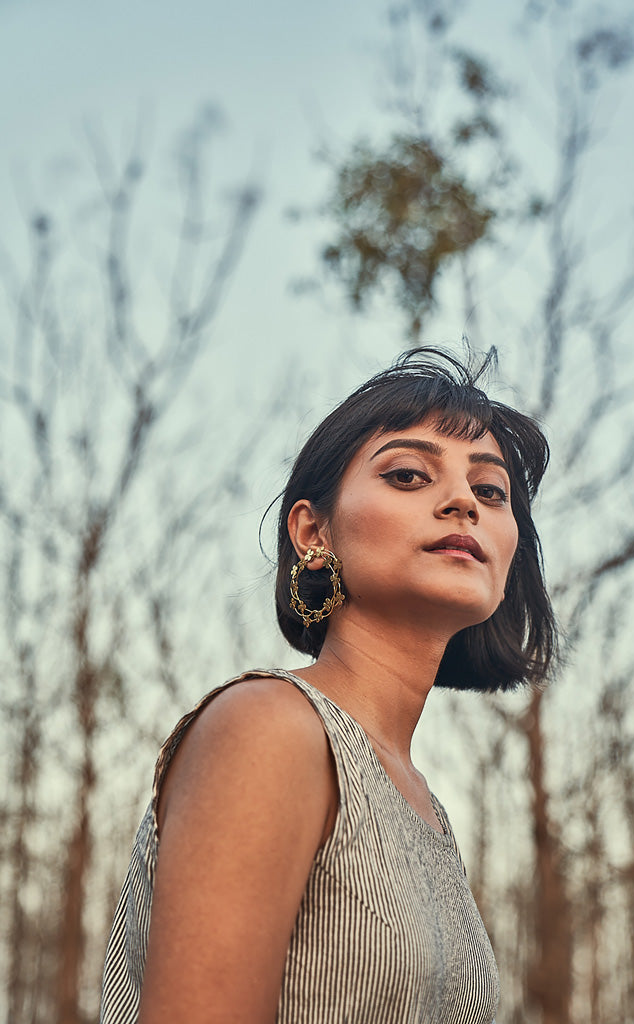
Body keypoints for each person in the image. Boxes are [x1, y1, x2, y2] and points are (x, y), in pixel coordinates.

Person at [99, 347, 557, 1024]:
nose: (464, 501)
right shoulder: (268, 728)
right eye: (408, 475)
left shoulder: (424, 805)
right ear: (313, 533)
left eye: (491, 492)